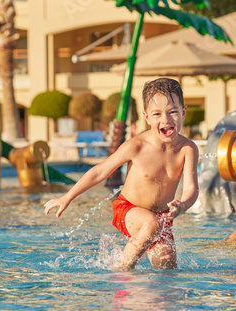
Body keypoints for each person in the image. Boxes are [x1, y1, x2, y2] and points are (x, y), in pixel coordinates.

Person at [44, 78, 199, 270]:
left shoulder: (188, 149)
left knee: (167, 265)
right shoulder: (137, 146)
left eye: (172, 112)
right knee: (151, 225)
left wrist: (183, 205)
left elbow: (191, 188)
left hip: (162, 217)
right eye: (157, 114)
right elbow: (100, 171)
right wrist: (68, 196)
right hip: (127, 210)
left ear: (183, 113)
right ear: (147, 117)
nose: (165, 120)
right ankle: (121, 270)